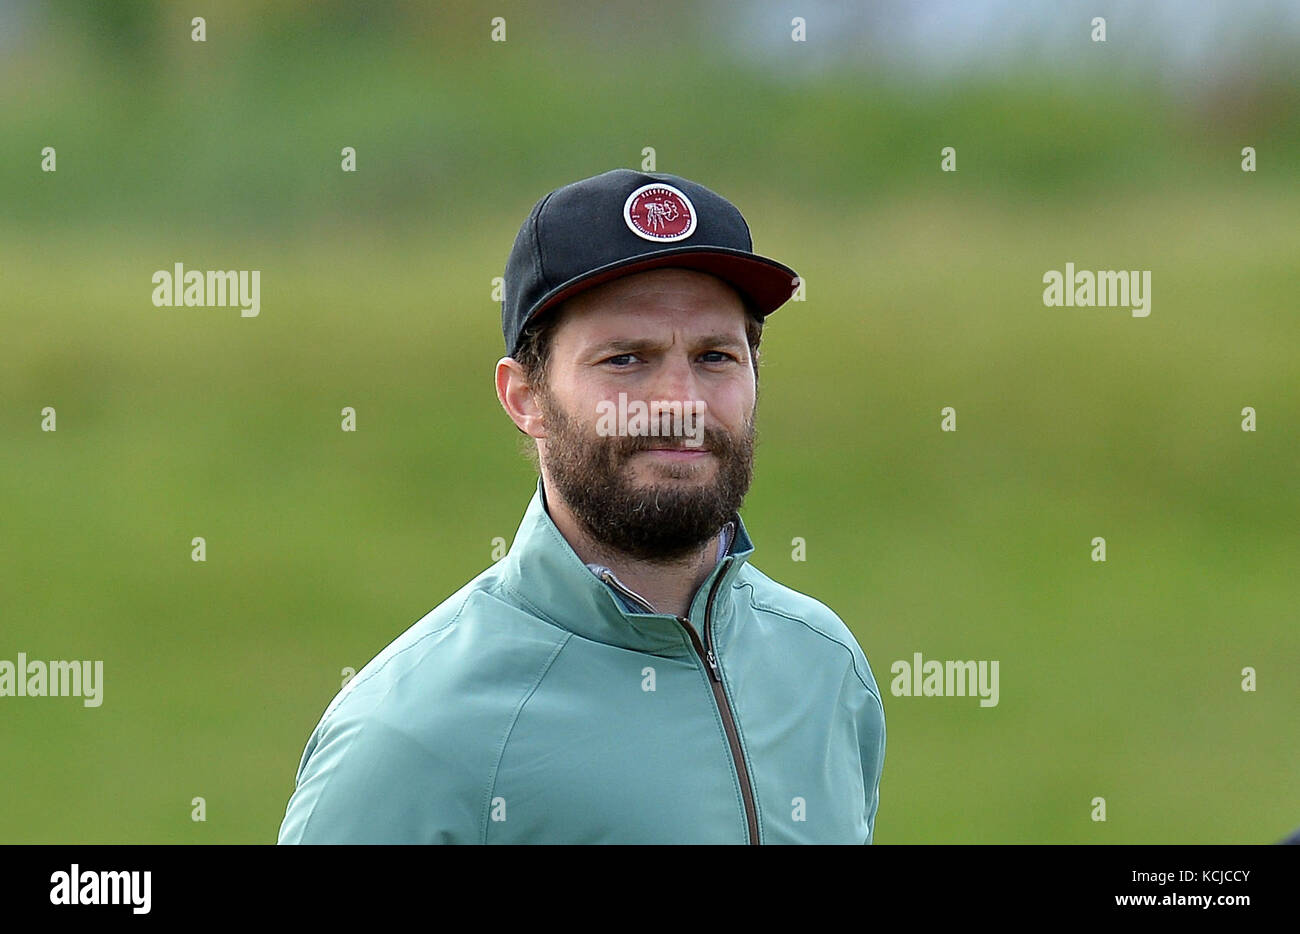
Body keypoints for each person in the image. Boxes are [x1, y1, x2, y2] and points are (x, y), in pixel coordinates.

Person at [277, 169, 886, 844]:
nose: (680, 402)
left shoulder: (823, 667)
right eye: (626, 359)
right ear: (525, 398)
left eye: (716, 356)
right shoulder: (411, 735)